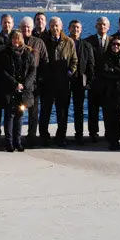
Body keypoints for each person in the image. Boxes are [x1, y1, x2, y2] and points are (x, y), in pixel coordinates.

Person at [39, 16, 78, 147]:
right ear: (49, 27)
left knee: (62, 113)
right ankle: (43, 136)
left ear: (61, 26)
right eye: (52, 25)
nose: (54, 28)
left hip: (63, 83)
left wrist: (69, 73)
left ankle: (61, 137)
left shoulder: (69, 42)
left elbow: (74, 61)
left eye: (57, 25)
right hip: (48, 84)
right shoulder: (43, 41)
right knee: (45, 111)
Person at [0, 31, 36, 152]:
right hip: (10, 89)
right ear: (11, 39)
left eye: (18, 38)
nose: (16, 41)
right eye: (14, 38)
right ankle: (9, 142)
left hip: (24, 90)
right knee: (9, 115)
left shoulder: (28, 53)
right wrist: (15, 84)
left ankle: (18, 141)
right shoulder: (5, 53)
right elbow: (3, 71)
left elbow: (32, 70)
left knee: (20, 116)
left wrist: (25, 84)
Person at [18, 16, 48, 147]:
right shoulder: (15, 40)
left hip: (34, 84)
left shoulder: (39, 42)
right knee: (18, 112)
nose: (26, 29)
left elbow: (45, 62)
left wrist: (40, 80)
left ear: (32, 28)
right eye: (23, 27)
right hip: (18, 84)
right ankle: (16, 137)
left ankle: (31, 138)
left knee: (33, 113)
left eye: (28, 27)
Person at [85, 17, 112, 143]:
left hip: (108, 82)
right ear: (96, 26)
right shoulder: (88, 41)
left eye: (104, 24)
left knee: (108, 109)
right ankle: (93, 132)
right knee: (93, 109)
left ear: (108, 27)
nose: (102, 27)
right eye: (99, 24)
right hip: (93, 82)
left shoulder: (114, 41)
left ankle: (108, 132)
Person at [68, 20, 94, 144]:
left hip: (80, 81)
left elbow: (91, 64)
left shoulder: (86, 45)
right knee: (63, 108)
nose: (75, 29)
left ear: (81, 29)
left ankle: (79, 135)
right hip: (65, 81)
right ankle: (61, 134)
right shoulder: (64, 43)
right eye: (73, 27)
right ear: (69, 29)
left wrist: (89, 81)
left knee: (79, 110)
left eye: (78, 27)